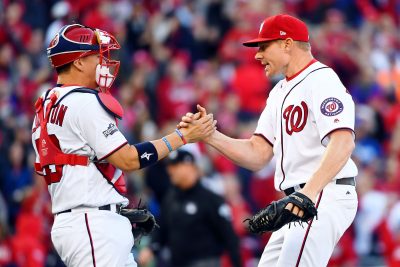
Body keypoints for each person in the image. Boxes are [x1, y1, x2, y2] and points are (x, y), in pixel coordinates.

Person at [180, 14, 358, 267]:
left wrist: (308, 194)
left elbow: (343, 142)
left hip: (322, 192)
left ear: (287, 44)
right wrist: (211, 136)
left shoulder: (322, 80)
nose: (257, 54)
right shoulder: (279, 91)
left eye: (264, 46)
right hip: (299, 199)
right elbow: (258, 153)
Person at [31, 24, 215, 267]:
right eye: (97, 55)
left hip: (83, 220)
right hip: (91, 224)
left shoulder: (47, 101)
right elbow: (129, 160)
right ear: (78, 62)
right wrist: (181, 137)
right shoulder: (83, 102)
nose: (104, 62)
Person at [139, 149, 241, 267]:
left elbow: (229, 237)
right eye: (170, 166)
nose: (170, 170)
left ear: (190, 167)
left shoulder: (210, 199)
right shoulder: (170, 198)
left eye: (175, 166)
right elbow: (162, 229)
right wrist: (151, 249)